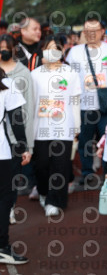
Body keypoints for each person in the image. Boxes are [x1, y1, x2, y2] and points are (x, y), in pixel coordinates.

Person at [67, 17, 107, 188]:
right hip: (83, 105)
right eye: (88, 31)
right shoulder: (74, 52)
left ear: (102, 32)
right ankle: (87, 174)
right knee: (84, 141)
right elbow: (68, 77)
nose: (91, 34)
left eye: (95, 30)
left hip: (106, 106)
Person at [31, 36, 82, 217]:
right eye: (48, 48)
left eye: (56, 48)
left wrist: (76, 126)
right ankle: (44, 193)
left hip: (64, 127)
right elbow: (31, 103)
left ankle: (55, 201)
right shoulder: (35, 74)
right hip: (40, 128)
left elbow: (75, 101)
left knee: (60, 165)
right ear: (42, 51)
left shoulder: (70, 73)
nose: (52, 51)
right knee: (42, 165)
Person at [0, 34, 35, 213]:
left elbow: (27, 109)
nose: (3, 52)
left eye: (7, 48)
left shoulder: (23, 73)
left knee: (11, 178)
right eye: (1, 49)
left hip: (14, 137)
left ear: (14, 50)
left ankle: (10, 209)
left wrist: (26, 143)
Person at [0, 65, 30, 265]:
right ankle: (2, 247)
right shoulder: (6, 84)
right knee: (3, 198)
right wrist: (23, 147)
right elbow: (16, 120)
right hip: (1, 151)